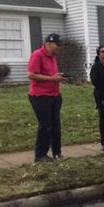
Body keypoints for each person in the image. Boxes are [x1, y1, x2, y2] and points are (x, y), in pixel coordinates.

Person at [27, 33, 65, 162]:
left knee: (56, 125)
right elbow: (31, 74)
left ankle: (57, 152)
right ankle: (40, 155)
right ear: (48, 44)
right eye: (57, 45)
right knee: (46, 125)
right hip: (40, 96)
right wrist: (52, 78)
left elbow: (49, 74)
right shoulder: (37, 55)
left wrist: (57, 76)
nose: (59, 48)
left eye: (60, 45)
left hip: (54, 95)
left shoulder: (52, 56)